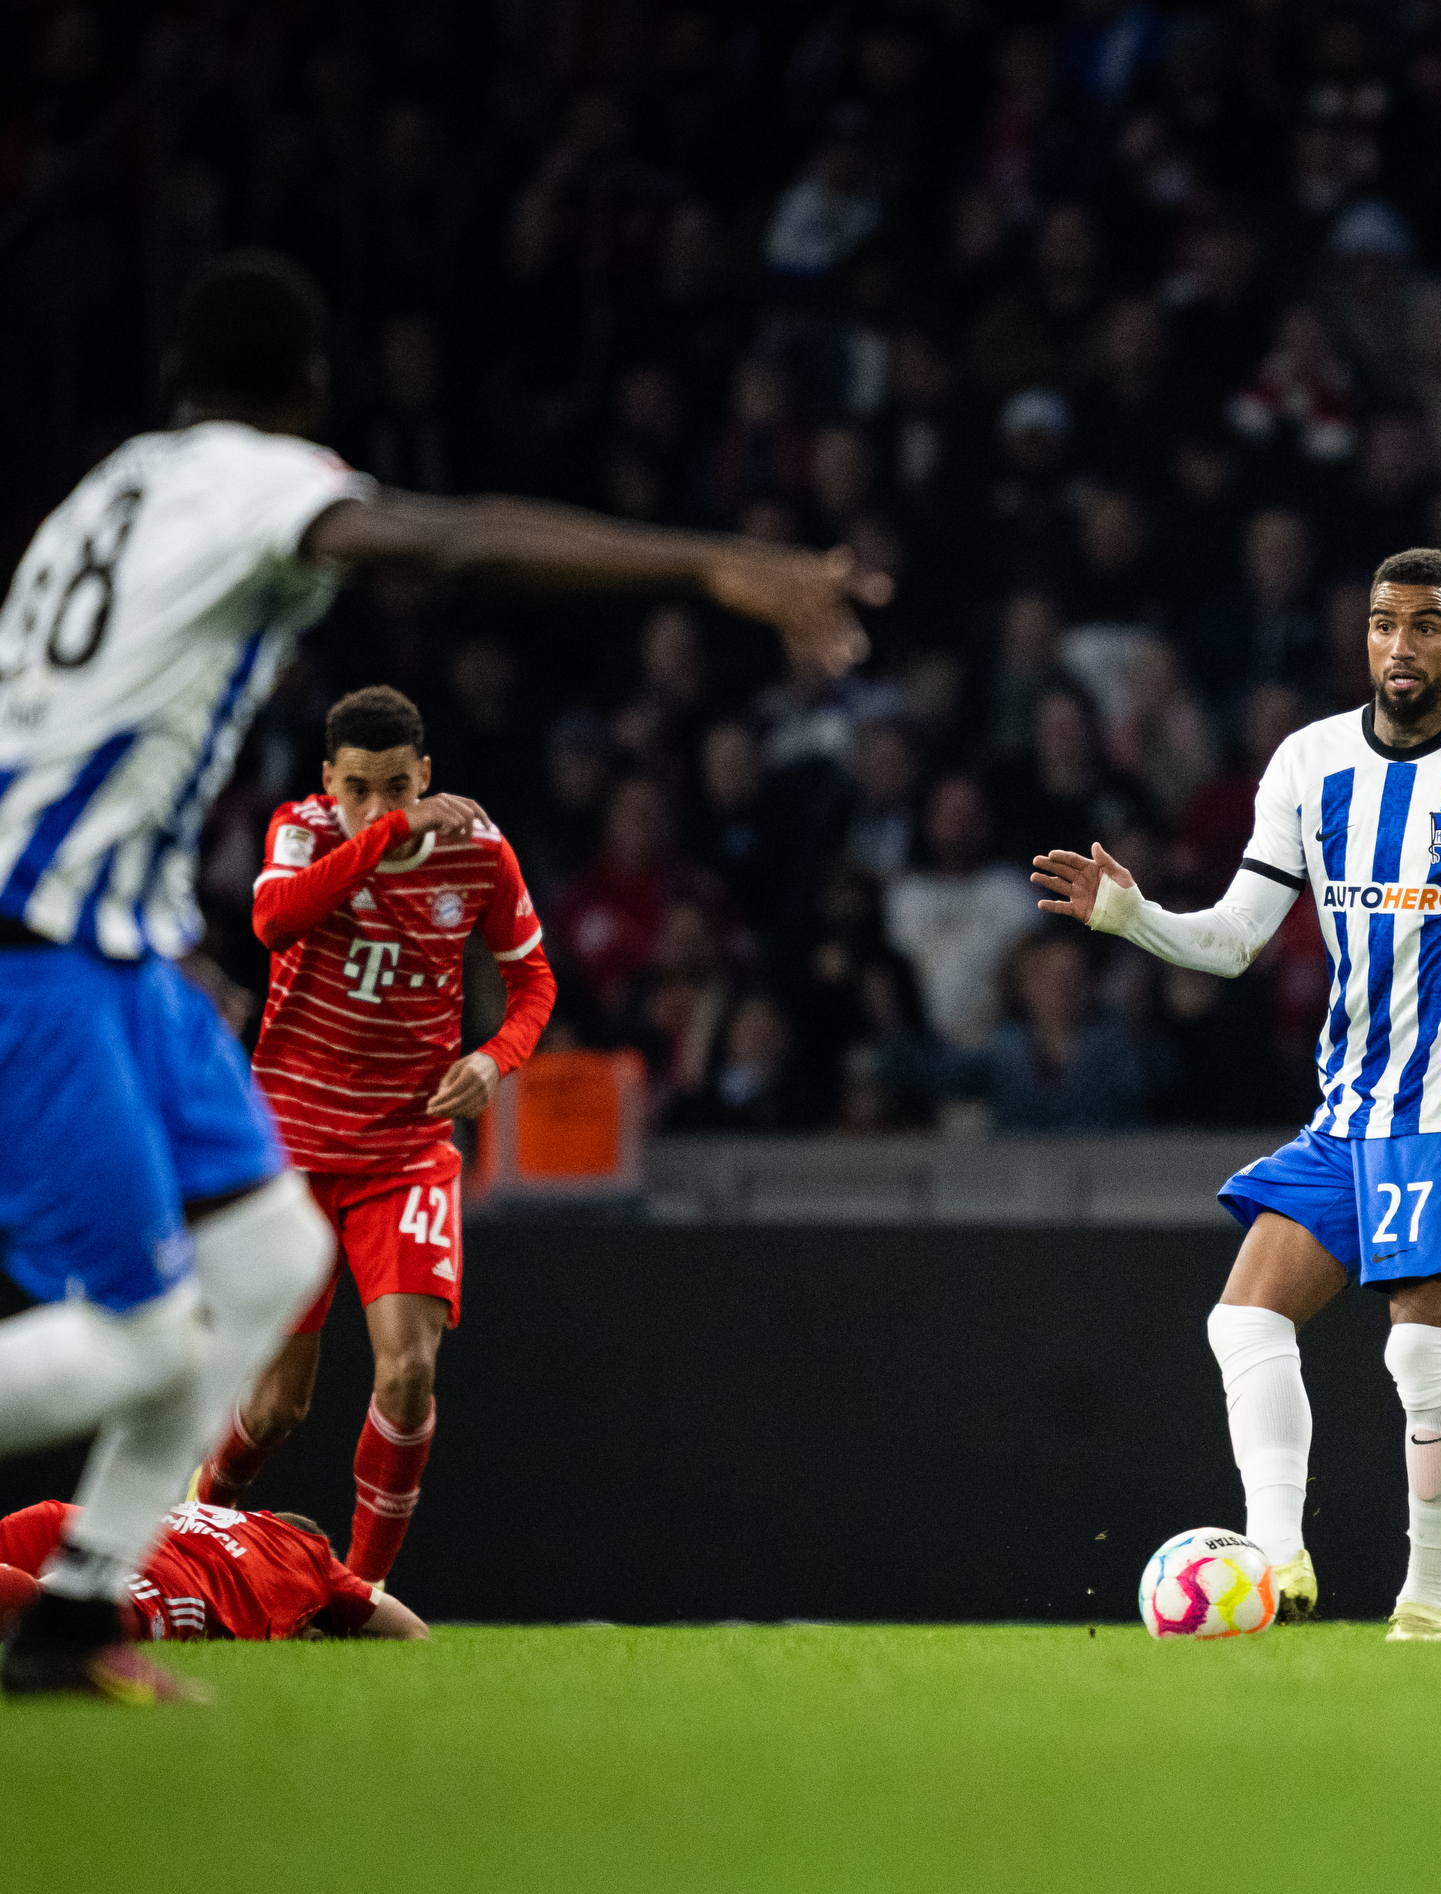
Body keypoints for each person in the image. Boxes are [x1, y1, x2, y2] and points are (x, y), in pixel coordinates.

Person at [0, 250, 876, 1703]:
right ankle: (84, 1601)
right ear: (309, 392)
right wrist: (706, 563)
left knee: (273, 1262)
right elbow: (452, 543)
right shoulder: (250, 484)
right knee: (150, 1334)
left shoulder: (109, 492)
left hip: (127, 945)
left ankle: (75, 1615)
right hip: (47, 945)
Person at [1028, 548, 1441, 1645]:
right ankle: (1280, 1565)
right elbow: (1237, 937)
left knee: (1418, 1353)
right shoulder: (1306, 764)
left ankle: (1428, 1600)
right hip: (1354, 1108)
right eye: (1384, 624)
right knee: (1242, 1320)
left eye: (1428, 626)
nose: (1401, 646)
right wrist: (1130, 918)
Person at [190, 687, 558, 1594]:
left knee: (408, 1372)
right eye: (358, 787)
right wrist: (386, 836)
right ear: (328, 781)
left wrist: (494, 1060)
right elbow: (273, 923)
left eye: (396, 786)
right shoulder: (302, 832)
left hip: (406, 1147)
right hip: (294, 1151)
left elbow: (535, 981)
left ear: (426, 773)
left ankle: (360, 1597)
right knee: (277, 1407)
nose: (377, 803)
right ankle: (203, 1529)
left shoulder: (479, 851)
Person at [0, 1500, 427, 1646]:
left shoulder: (228, 1517)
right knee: (65, 1619)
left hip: (63, 1519)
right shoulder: (315, 1558)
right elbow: (411, 1629)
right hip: (164, 1574)